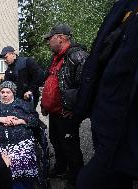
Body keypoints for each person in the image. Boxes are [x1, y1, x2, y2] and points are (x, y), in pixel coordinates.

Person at [74, 1, 138, 188]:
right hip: (105, 120)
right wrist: (83, 104)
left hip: (126, 127)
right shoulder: (126, 6)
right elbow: (100, 57)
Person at [41, 23, 88, 189]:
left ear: (60, 37)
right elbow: (50, 82)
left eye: (50, 38)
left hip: (66, 113)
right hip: (54, 112)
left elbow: (86, 87)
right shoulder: (56, 58)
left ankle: (76, 178)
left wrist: (73, 108)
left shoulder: (78, 56)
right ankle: (61, 167)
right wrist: (44, 103)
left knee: (70, 146)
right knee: (55, 140)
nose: (48, 42)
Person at [0, 81, 39, 189]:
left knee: (22, 161)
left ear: (13, 93)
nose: (5, 94)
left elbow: (35, 120)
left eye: (8, 92)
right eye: (2, 92)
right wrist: (0, 119)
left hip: (21, 142)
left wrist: (21, 121)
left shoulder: (22, 104)